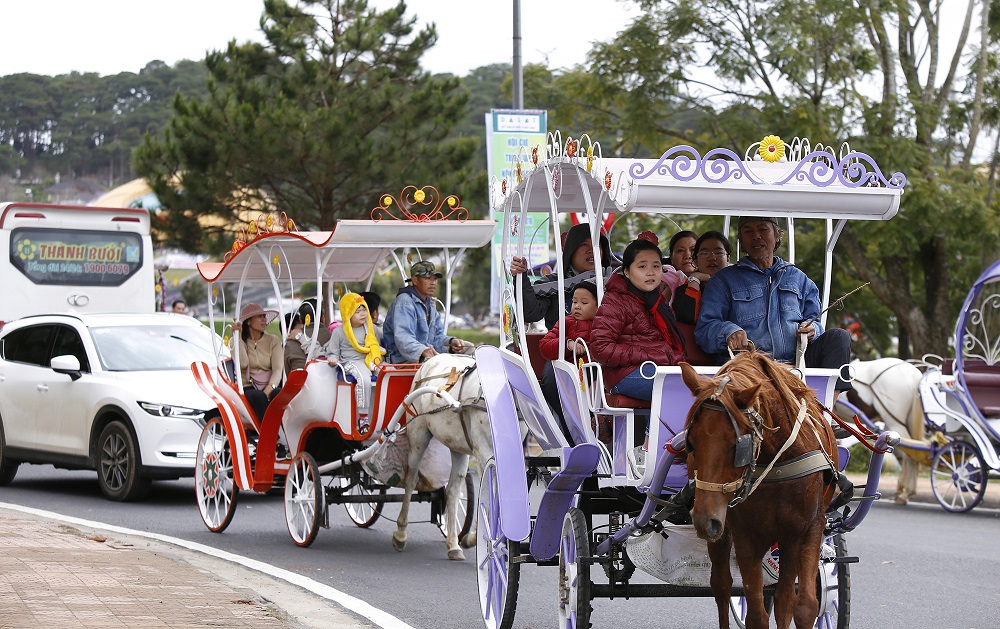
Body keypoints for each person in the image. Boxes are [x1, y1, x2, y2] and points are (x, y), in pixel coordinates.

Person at [694, 216, 852, 397]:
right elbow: (705, 329)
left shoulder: (799, 278)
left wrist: (812, 328)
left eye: (763, 229)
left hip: (799, 367)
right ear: (741, 241)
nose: (756, 236)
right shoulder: (723, 281)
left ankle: (826, 410)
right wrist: (728, 331)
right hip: (751, 370)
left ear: (777, 236)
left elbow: (816, 322)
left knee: (839, 336)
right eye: (748, 231)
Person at [590, 232, 687, 474]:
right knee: (672, 389)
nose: (651, 272)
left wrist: (666, 359)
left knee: (698, 388)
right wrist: (647, 356)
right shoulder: (616, 300)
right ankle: (646, 450)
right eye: (642, 266)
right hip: (624, 375)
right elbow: (600, 347)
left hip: (653, 370)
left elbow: (668, 345)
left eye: (656, 266)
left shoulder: (656, 301)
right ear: (626, 271)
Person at [509, 222, 614, 330]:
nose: (591, 250)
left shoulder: (614, 284)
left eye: (597, 245)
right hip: (560, 345)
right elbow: (531, 314)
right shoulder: (551, 283)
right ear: (571, 251)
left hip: (603, 345)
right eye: (584, 245)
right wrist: (521, 278)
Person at [383, 260, 472, 363]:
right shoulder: (404, 302)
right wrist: (423, 351)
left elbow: (437, 337)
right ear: (415, 280)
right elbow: (404, 338)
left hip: (424, 362)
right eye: (427, 278)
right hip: (402, 363)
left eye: (435, 279)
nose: (433, 282)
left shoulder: (430, 304)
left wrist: (451, 343)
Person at [323, 292, 386, 412]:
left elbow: (378, 344)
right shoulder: (339, 332)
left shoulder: (371, 328)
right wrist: (333, 359)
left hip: (371, 360)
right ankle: (363, 416)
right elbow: (332, 353)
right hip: (351, 361)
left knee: (390, 373)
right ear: (348, 314)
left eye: (364, 309)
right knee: (364, 379)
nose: (362, 314)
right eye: (357, 312)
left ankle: (386, 411)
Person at [232, 302, 283, 423]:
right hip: (248, 386)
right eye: (259, 317)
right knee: (258, 396)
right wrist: (238, 337)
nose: (264, 320)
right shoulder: (238, 341)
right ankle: (269, 435)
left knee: (278, 394)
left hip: (270, 383)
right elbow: (243, 363)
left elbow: (278, 368)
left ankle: (280, 431)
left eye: (264, 317)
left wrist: (270, 387)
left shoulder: (273, 341)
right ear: (248, 321)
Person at [674, 230, 732, 324]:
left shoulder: (738, 286)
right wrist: (695, 278)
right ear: (696, 261)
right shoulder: (683, 290)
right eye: (705, 253)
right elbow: (688, 316)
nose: (712, 258)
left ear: (728, 259)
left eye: (718, 252)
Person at [538, 281, 599, 362]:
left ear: (598, 306)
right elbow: (544, 346)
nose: (577, 306)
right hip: (572, 369)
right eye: (574, 301)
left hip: (597, 369)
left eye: (584, 302)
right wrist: (567, 343)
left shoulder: (603, 324)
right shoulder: (565, 322)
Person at [284, 298, 332, 373]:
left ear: (300, 319)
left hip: (299, 383)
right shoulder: (334, 338)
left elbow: (285, 373)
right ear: (323, 318)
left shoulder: (290, 342)